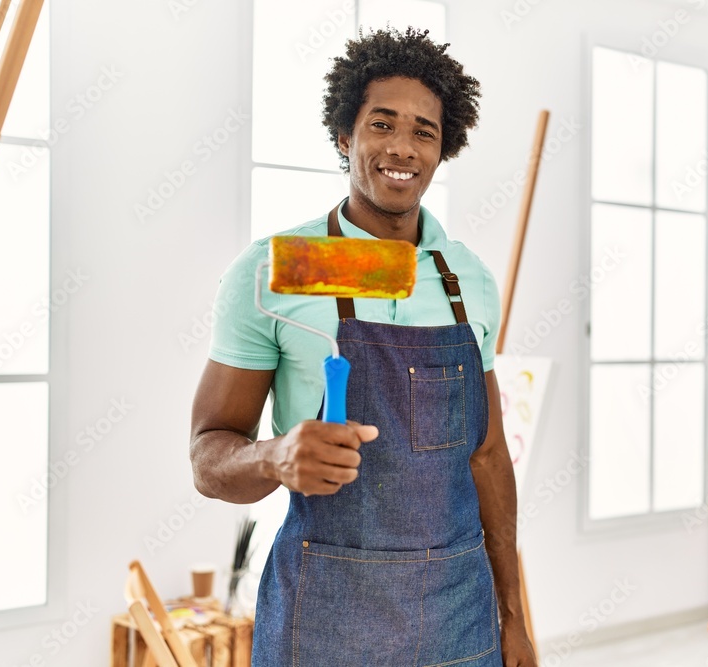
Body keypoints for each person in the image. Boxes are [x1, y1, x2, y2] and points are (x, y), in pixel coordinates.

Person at [190, 26, 537, 666]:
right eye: (382, 124)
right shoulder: (273, 272)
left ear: (443, 149)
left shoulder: (467, 282)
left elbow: (487, 455)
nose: (402, 147)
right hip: (323, 612)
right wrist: (273, 457)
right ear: (345, 137)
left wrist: (513, 616)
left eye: (424, 131)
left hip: (457, 615)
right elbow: (208, 458)